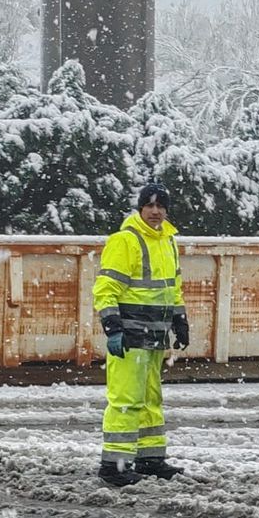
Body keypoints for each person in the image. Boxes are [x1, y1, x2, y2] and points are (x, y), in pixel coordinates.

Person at [94, 182, 190, 486]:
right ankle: (115, 466)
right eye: (150, 205)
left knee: (151, 399)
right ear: (140, 208)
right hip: (130, 336)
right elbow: (105, 289)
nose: (156, 211)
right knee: (126, 399)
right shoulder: (125, 240)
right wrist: (112, 328)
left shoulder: (169, 241)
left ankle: (150, 460)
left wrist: (180, 320)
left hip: (155, 336)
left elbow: (172, 287)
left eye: (161, 206)